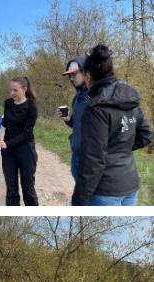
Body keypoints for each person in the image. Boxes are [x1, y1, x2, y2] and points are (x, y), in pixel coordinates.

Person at [71, 44, 153, 206]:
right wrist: (119, 149)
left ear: (88, 76)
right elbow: (146, 135)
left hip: (105, 191)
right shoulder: (129, 97)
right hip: (130, 185)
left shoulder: (95, 108)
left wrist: (78, 201)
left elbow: (93, 160)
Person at [0, 76, 39, 206]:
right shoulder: (8, 103)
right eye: (10, 90)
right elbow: (9, 125)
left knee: (28, 188)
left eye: (15, 90)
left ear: (25, 89)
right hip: (8, 151)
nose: (12, 93)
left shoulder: (31, 107)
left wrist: (7, 144)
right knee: (11, 188)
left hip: (25, 149)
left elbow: (27, 133)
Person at [58, 56, 91, 181]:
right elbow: (78, 125)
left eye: (74, 74)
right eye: (69, 75)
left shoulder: (96, 98)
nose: (71, 78)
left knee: (91, 197)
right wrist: (68, 119)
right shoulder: (77, 99)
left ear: (86, 72)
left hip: (90, 160)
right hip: (76, 157)